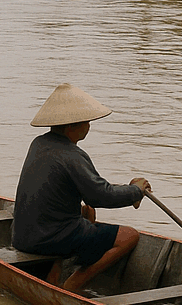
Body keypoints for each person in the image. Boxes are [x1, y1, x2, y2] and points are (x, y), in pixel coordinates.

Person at [12, 83, 151, 294]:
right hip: (47, 239)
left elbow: (94, 192)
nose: (89, 126)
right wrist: (136, 191)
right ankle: (73, 285)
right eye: (86, 122)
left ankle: (54, 273)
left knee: (87, 214)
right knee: (129, 236)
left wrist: (129, 190)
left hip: (22, 236)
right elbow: (100, 195)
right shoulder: (72, 155)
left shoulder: (38, 144)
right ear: (71, 127)